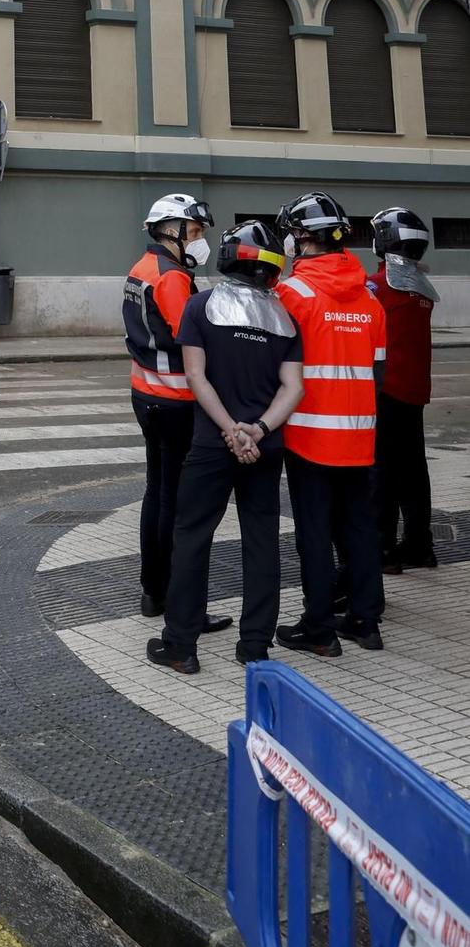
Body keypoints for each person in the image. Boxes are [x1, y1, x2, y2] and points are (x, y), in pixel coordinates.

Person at [146, 220, 303, 676]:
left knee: (192, 537)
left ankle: (180, 646)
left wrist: (231, 430)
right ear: (272, 270)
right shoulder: (284, 319)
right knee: (262, 541)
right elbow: (293, 388)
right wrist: (257, 429)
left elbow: (196, 377)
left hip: (212, 445)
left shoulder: (199, 306)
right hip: (265, 445)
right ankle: (255, 647)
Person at [275, 190, 386, 657]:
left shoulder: (290, 294)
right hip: (359, 435)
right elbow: (377, 371)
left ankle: (319, 628)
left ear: (302, 238)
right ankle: (365, 620)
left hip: (308, 435)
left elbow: (274, 368)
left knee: (315, 533)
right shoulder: (370, 299)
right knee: (359, 527)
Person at [124, 192, 230, 629]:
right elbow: (191, 339)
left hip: (145, 395)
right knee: (179, 502)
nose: (201, 239)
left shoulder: (141, 268)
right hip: (176, 402)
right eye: (196, 230)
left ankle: (153, 590)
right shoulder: (171, 277)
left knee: (157, 492)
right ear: (171, 230)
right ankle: (178, 600)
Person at [369, 206, 440, 572]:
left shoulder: (376, 286)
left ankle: (382, 548)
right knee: (414, 470)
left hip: (384, 390)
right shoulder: (422, 289)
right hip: (414, 390)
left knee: (382, 470)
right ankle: (419, 545)